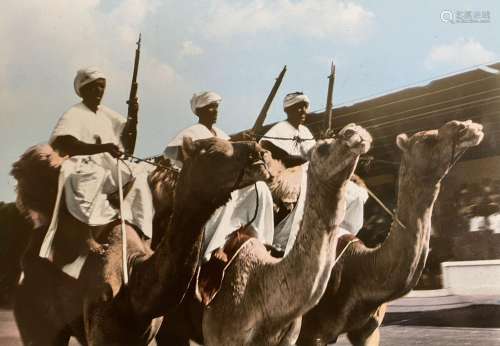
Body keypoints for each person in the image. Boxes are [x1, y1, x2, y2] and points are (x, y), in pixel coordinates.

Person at [39, 67, 154, 276]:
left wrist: (133, 117)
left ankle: (141, 232)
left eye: (102, 87)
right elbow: (66, 142)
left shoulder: (106, 114)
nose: (100, 91)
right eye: (95, 87)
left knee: (138, 175)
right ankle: (87, 236)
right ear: (83, 90)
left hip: (107, 164)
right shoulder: (74, 112)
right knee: (93, 176)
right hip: (79, 166)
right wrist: (103, 148)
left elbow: (129, 145)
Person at [164, 91, 275, 262]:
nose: (215, 111)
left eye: (216, 107)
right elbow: (183, 156)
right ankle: (214, 246)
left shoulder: (221, 134)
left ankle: (261, 239)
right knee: (224, 194)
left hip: (222, 180)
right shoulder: (192, 132)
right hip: (197, 186)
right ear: (199, 111)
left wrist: (239, 142)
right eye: (210, 108)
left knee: (259, 188)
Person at [260, 92, 368, 254]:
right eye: (298, 107)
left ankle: (340, 233)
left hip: (312, 170)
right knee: (308, 188)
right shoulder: (279, 129)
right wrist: (308, 161)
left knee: (356, 193)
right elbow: (273, 153)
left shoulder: (305, 132)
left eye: (305, 107)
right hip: (289, 173)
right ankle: (288, 240)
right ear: (288, 110)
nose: (303, 111)